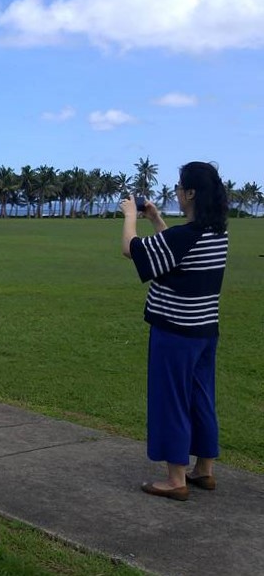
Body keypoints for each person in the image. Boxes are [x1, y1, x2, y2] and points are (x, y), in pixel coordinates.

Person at [119, 162, 229, 501]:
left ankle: (175, 478)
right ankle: (204, 470)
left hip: (175, 332)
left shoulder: (186, 237)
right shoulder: (216, 235)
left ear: (192, 193)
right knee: (201, 397)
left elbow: (132, 250)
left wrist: (130, 216)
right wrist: (156, 219)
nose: (178, 192)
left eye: (181, 187)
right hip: (204, 331)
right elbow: (174, 254)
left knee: (171, 400)